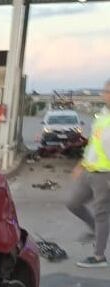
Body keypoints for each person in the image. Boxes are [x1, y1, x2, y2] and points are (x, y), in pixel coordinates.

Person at [67, 78, 110, 268]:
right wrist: (81, 164)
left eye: (107, 91)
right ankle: (94, 228)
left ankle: (99, 257)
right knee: (73, 203)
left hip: (105, 174)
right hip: (90, 171)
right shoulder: (101, 116)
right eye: (104, 91)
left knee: (102, 213)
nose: (104, 94)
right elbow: (93, 145)